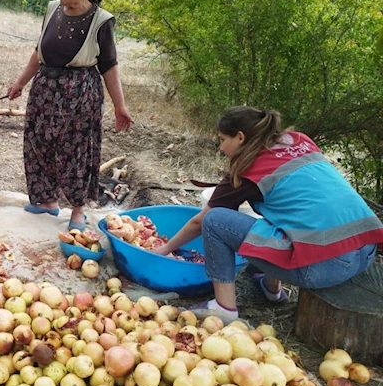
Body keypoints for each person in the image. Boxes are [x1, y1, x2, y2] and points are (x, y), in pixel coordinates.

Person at [154, 106, 383, 321]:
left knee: (215, 221)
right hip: (365, 251)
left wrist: (164, 249)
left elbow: (200, 221)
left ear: (240, 137)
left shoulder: (247, 167)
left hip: (325, 266)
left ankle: (224, 308)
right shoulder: (299, 140)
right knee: (283, 213)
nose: (221, 148)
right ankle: (271, 289)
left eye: (223, 140)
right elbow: (296, 208)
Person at [7, 0, 133, 231]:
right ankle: (46, 201)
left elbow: (109, 66)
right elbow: (39, 52)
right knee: (38, 145)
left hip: (80, 96)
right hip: (45, 90)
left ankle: (77, 210)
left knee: (78, 152)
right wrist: (20, 83)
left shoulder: (101, 21)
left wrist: (120, 106)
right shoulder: (52, 9)